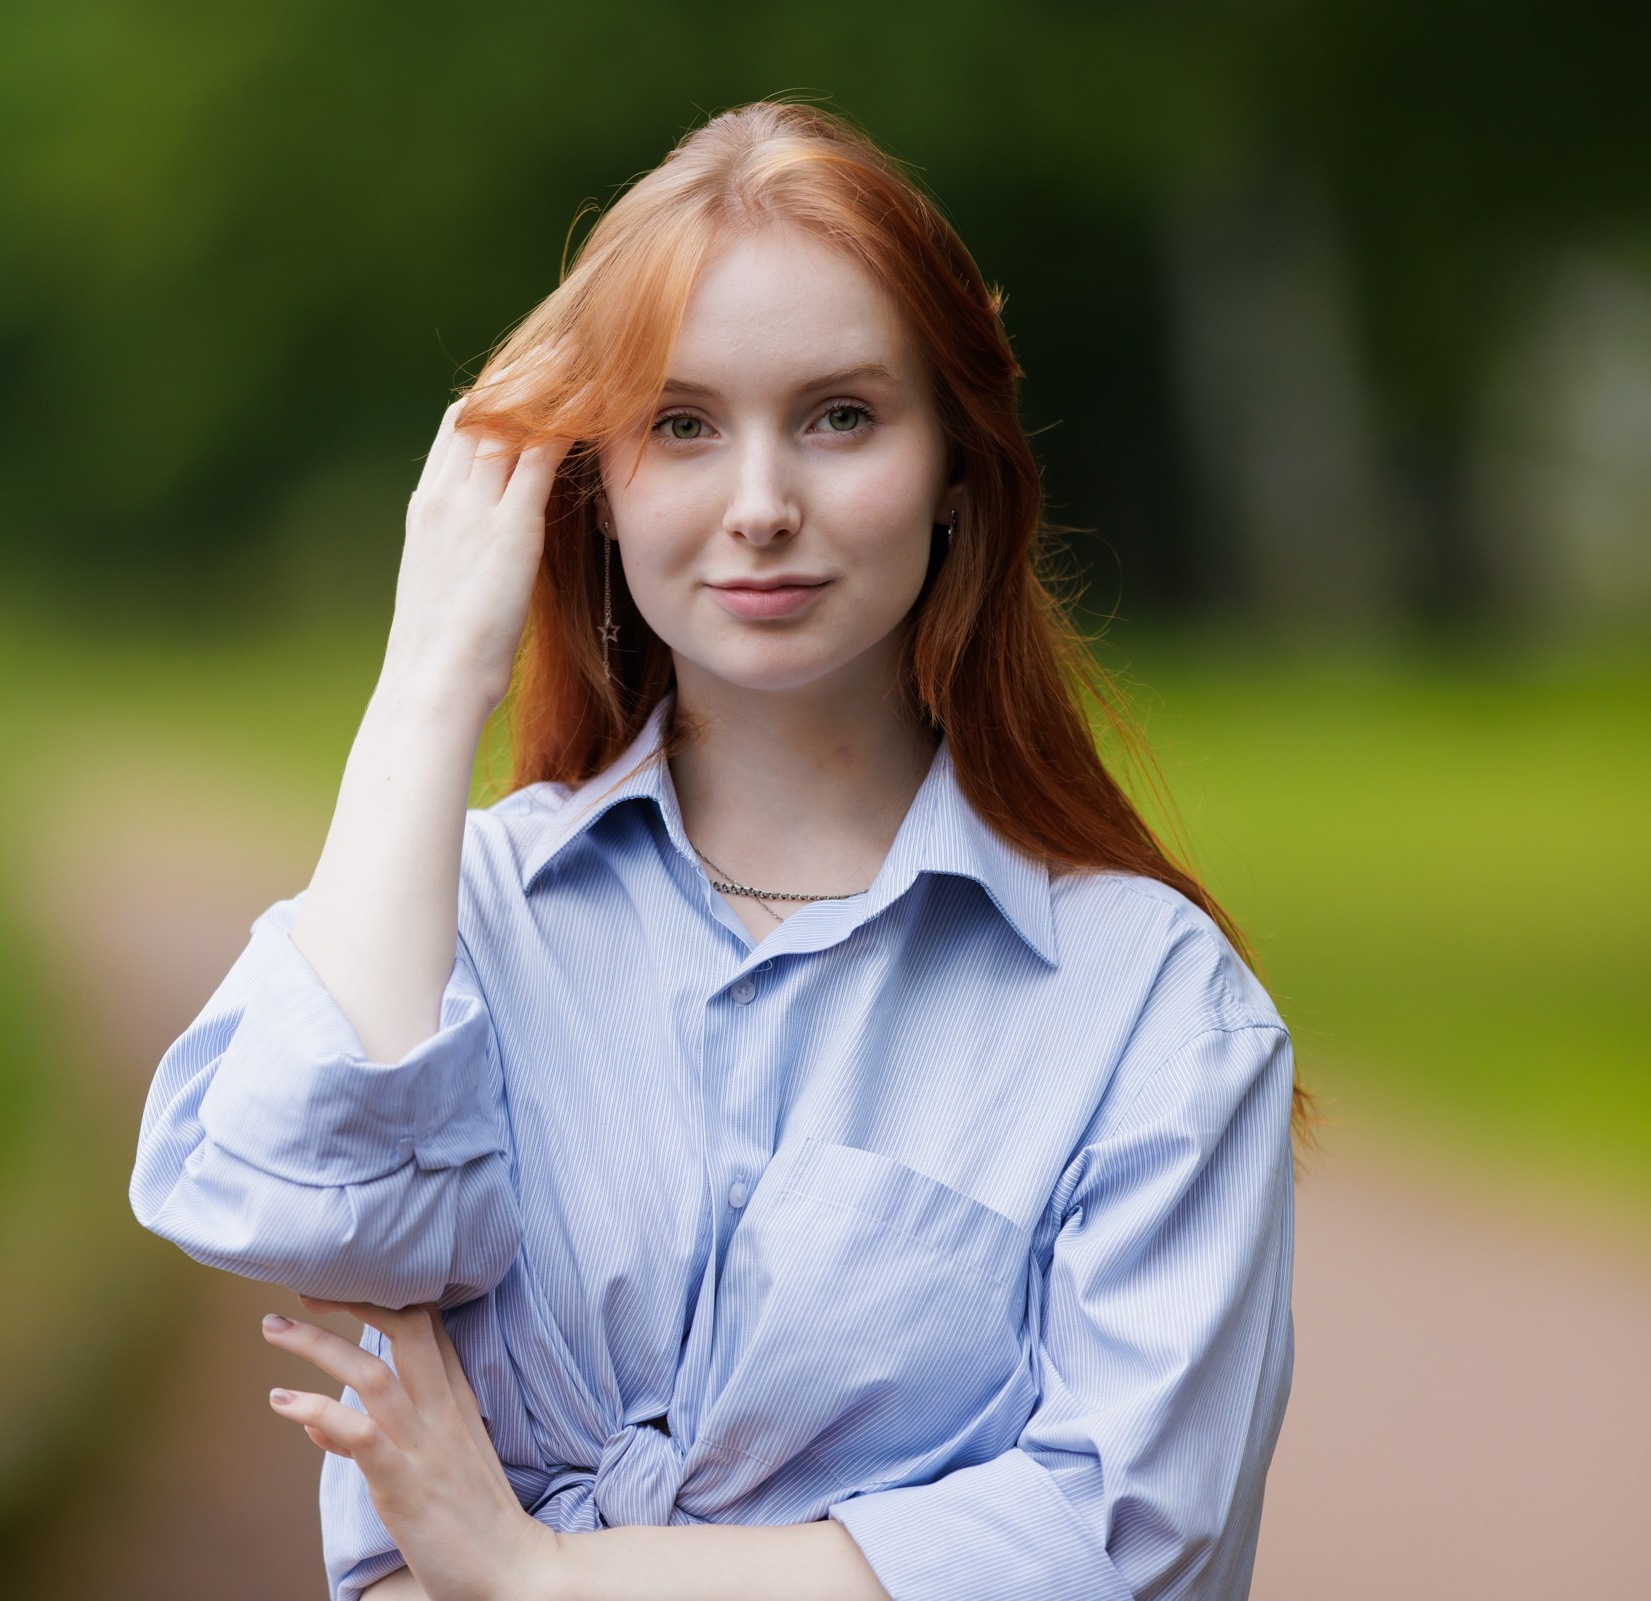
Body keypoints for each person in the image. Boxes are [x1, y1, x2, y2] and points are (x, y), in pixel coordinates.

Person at [129, 102, 1305, 1601]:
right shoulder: (461, 919)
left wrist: (538, 1573)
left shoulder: (1146, 1006)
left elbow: (1128, 1547)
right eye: (682, 424)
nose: (762, 506)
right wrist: (433, 673)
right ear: (592, 481)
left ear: (955, 465)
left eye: (840, 416)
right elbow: (285, 1192)